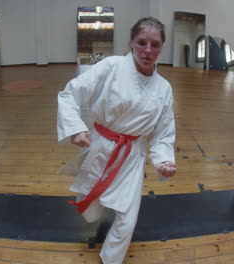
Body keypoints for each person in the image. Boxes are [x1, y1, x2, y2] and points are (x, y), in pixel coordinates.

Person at [57, 17, 176, 264]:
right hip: (101, 143)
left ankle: (110, 259)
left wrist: (163, 160)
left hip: (132, 154)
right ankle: (93, 210)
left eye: (155, 45)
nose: (147, 50)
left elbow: (163, 132)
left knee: (127, 217)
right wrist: (76, 128)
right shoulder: (111, 66)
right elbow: (70, 93)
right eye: (142, 42)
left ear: (161, 47)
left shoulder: (164, 88)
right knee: (90, 212)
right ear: (131, 42)